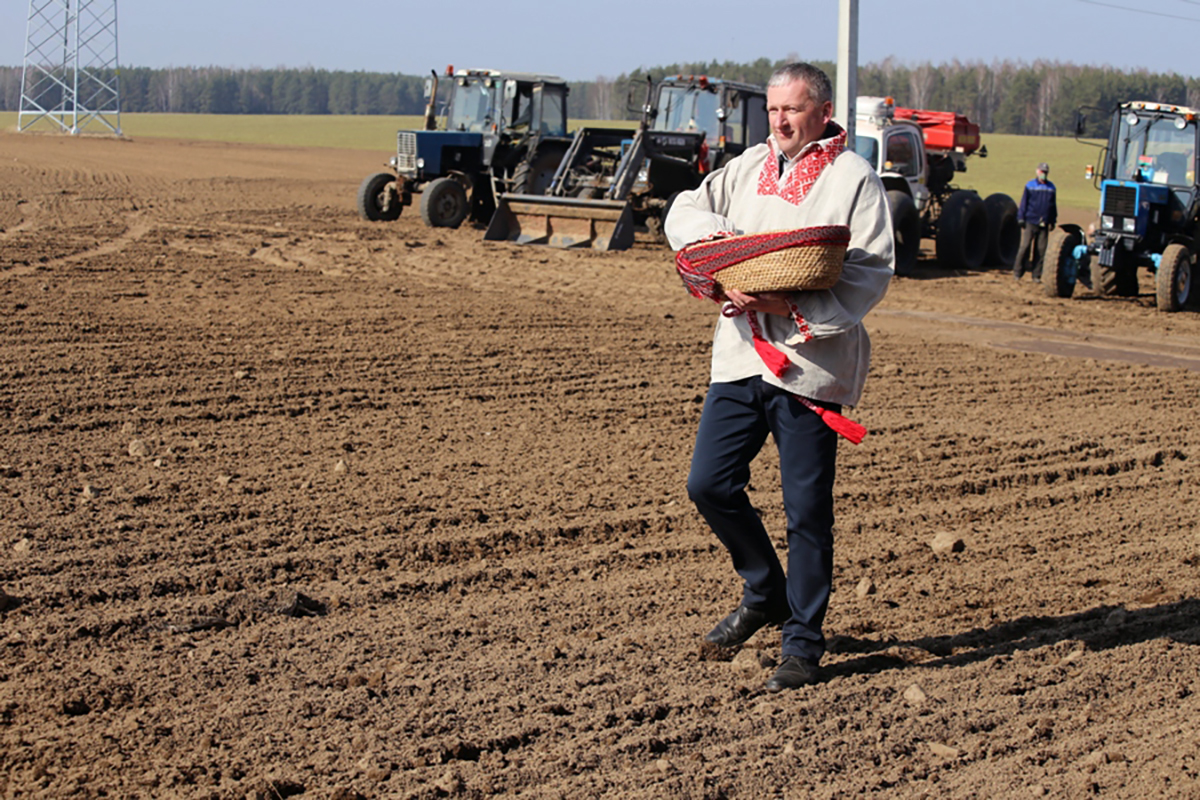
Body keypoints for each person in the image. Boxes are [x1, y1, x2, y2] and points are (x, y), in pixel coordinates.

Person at [664, 63, 894, 692]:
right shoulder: (746, 166)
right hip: (740, 354)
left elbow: (869, 270)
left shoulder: (854, 178)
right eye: (773, 111)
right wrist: (721, 256)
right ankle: (766, 590)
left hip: (810, 366)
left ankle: (803, 643)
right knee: (708, 483)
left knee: (806, 511)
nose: (780, 121)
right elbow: (686, 209)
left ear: (822, 112)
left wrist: (790, 306)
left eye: (792, 110)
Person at [1016, 162, 1057, 281]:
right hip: (1030, 220)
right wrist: (1021, 217)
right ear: (1037, 172)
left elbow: (1053, 206)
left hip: (1044, 223)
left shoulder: (1051, 188)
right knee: (1025, 247)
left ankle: (1036, 275)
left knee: (1041, 250)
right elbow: (1024, 202)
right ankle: (1018, 272)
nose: (1043, 174)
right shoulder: (1030, 185)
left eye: (1045, 172)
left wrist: (1053, 220)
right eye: (1042, 172)